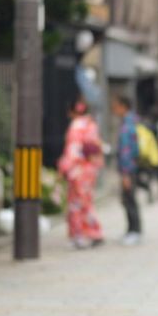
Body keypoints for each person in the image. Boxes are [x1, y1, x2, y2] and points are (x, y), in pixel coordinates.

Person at [57, 100, 105, 249]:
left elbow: (73, 151)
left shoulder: (76, 126)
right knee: (87, 201)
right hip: (90, 169)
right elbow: (96, 148)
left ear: (73, 112)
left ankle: (80, 235)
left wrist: (64, 168)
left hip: (78, 170)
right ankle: (94, 232)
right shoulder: (91, 125)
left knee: (76, 204)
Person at [110, 95, 142, 246]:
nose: (114, 110)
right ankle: (131, 230)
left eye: (116, 106)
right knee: (128, 199)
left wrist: (126, 174)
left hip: (128, 169)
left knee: (130, 199)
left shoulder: (128, 125)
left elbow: (127, 151)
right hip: (130, 168)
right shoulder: (131, 122)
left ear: (123, 106)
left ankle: (134, 230)